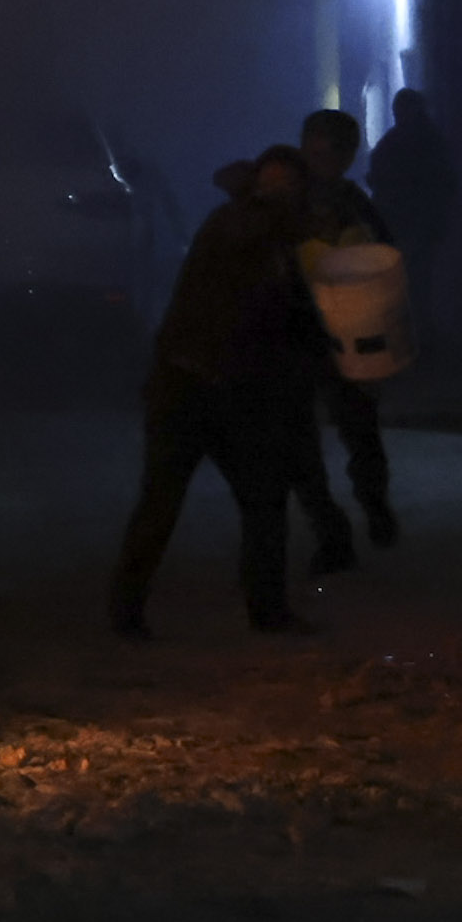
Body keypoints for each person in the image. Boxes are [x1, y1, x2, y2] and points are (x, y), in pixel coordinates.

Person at [108, 145, 325, 638]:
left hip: (208, 385)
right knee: (176, 501)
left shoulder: (261, 235)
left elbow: (293, 321)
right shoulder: (241, 226)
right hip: (197, 386)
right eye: (277, 187)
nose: (283, 196)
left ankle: (261, 610)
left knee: (246, 501)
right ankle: (131, 609)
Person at [291, 107, 398, 571]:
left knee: (359, 431)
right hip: (296, 335)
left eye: (331, 153)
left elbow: (386, 259)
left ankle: (373, 507)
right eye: (314, 151)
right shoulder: (286, 202)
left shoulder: (353, 204)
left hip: (345, 336)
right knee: (299, 443)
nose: (321, 162)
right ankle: (333, 533)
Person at [367, 87, 458, 345]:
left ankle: (412, 337)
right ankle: (417, 336)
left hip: (408, 224)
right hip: (411, 225)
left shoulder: (401, 142)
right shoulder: (427, 141)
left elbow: (379, 177)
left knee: (412, 284)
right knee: (417, 283)